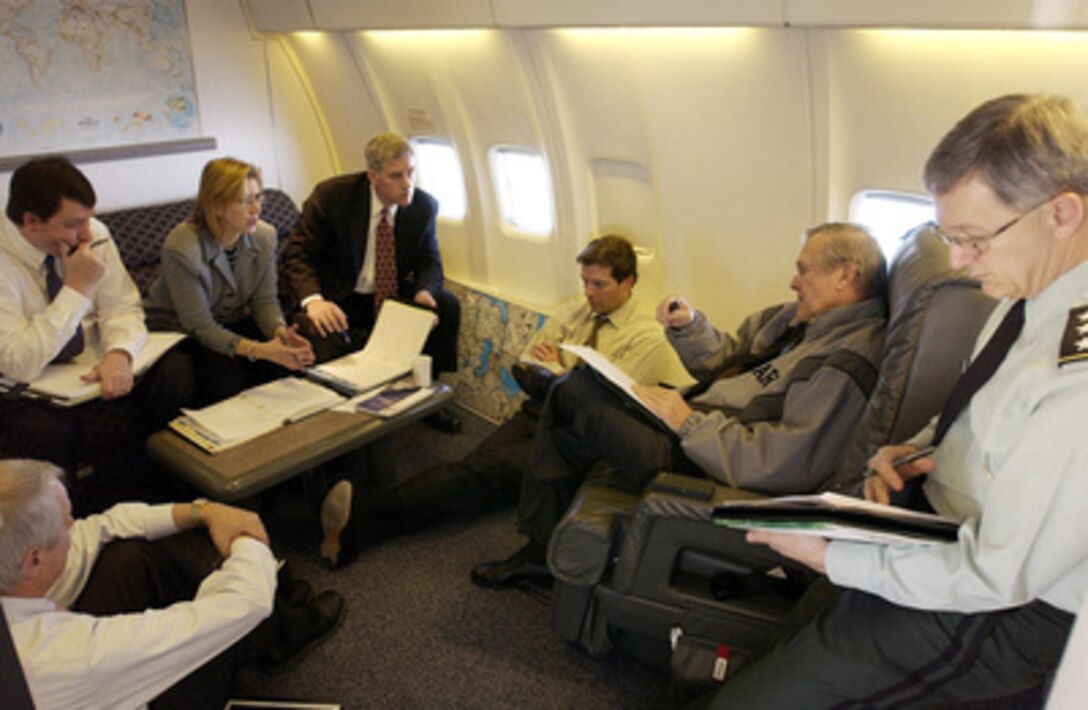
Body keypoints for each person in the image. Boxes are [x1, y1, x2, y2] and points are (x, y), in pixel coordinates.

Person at [708, 93, 1088, 707]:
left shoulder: (1079, 373)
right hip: (932, 537)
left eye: (973, 239)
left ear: (1062, 213)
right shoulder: (1025, 295)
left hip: (993, 611)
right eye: (948, 237)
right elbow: (979, 409)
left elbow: (995, 573)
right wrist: (912, 449)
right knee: (789, 646)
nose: (961, 263)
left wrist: (835, 559)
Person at [472, 222, 888, 588]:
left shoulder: (849, 361)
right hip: (700, 421)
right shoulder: (798, 319)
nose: (793, 282)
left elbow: (782, 461)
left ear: (844, 275)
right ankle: (550, 537)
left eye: (803, 270)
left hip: (709, 463)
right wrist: (690, 326)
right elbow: (726, 355)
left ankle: (539, 547)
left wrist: (689, 423)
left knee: (571, 393)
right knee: (581, 393)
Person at [318, 234, 694, 568]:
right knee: (476, 469)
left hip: (582, 437)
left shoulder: (647, 335)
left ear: (628, 282)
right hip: (539, 409)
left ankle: (367, 511)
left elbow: (604, 403)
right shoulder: (573, 311)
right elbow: (530, 360)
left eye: (599, 284)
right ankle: (362, 529)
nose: (589, 293)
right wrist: (563, 372)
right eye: (584, 282)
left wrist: (559, 369)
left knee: (479, 475)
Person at [0, 458, 345, 709]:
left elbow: (103, 526)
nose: (75, 525)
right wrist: (246, 538)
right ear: (33, 559)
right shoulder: (67, 656)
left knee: (129, 560)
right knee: (222, 634)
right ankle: (280, 623)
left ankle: (278, 622)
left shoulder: (13, 567)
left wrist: (206, 512)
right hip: (97, 688)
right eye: (65, 524)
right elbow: (241, 605)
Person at [0, 156, 194, 515]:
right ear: (30, 221)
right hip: (25, 384)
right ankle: (65, 522)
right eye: (73, 225)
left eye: (88, 218)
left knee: (176, 373)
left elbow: (123, 307)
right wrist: (76, 289)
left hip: (88, 363)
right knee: (44, 430)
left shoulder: (94, 232)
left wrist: (119, 354)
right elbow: (18, 361)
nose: (88, 235)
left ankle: (158, 495)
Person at [282, 131, 462, 434]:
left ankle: (427, 394)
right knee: (324, 332)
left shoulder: (422, 207)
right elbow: (296, 254)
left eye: (410, 173)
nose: (408, 184)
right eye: (396, 176)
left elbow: (429, 261)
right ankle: (340, 420)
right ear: (372, 176)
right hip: (336, 296)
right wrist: (313, 301)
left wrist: (423, 293)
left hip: (387, 295)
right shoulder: (332, 197)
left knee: (446, 304)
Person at [144, 158, 314, 405]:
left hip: (227, 319)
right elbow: (199, 325)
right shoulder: (182, 246)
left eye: (258, 197)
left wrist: (280, 334)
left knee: (285, 364)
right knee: (225, 373)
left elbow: (264, 301)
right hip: (177, 328)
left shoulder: (265, 237)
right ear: (216, 206)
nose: (256, 209)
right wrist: (259, 350)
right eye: (246, 201)